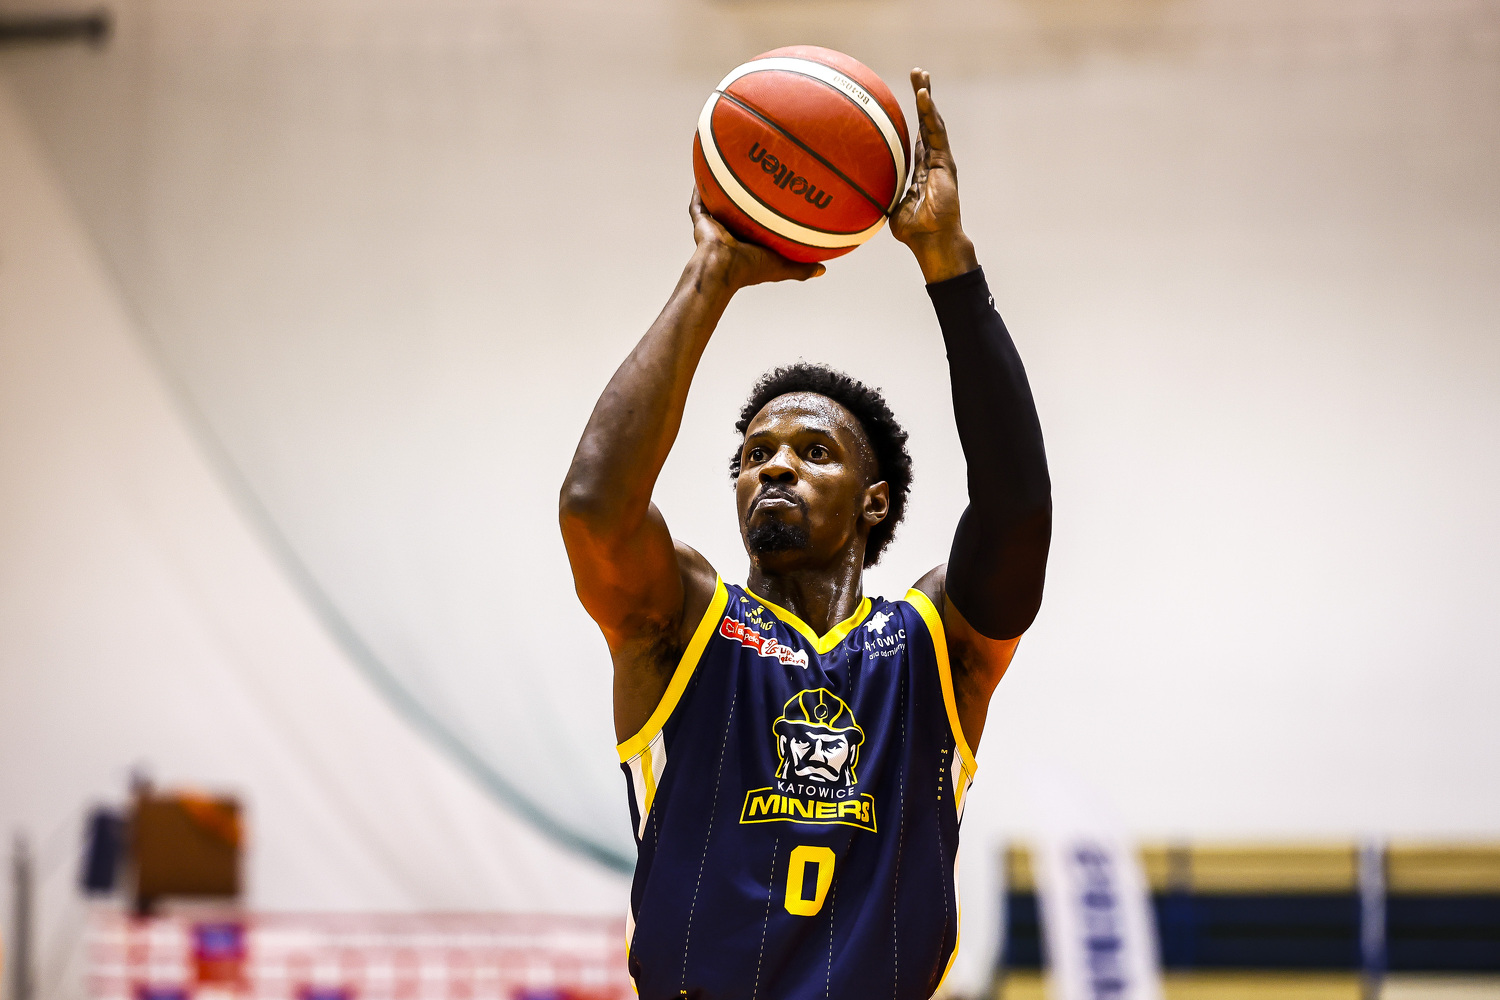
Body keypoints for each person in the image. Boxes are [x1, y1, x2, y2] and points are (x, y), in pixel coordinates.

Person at [559, 68, 1051, 1000]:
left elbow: (1017, 514)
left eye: (813, 451)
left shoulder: (934, 647)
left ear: (874, 502)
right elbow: (594, 507)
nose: (774, 466)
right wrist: (711, 273)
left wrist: (949, 263)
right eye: (755, 454)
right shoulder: (682, 623)